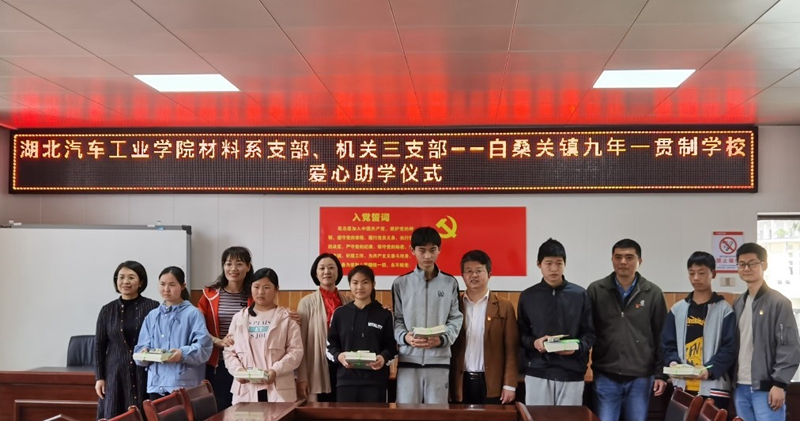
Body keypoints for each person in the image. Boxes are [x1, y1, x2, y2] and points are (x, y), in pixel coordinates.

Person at [587, 238, 668, 421]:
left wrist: (660, 374)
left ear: (640, 261)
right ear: (612, 259)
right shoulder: (596, 290)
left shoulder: (652, 293)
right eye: (618, 257)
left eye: (629, 257)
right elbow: (587, 332)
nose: (623, 262)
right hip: (606, 375)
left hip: (641, 377)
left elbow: (661, 336)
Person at [517, 239, 594, 405]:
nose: (554, 269)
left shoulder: (580, 295)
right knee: (537, 416)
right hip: (538, 371)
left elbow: (589, 334)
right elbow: (521, 334)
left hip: (571, 372)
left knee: (569, 417)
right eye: (548, 263)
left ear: (565, 264)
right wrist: (535, 343)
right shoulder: (528, 296)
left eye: (559, 263)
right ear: (539, 264)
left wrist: (576, 347)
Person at [392, 226, 463, 404]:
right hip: (409, 361)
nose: (427, 256)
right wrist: (405, 337)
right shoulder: (401, 283)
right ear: (412, 250)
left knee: (437, 414)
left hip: (439, 360)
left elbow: (455, 318)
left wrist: (442, 340)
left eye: (432, 250)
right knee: (406, 413)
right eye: (422, 250)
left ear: (440, 249)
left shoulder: (450, 283)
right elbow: (397, 319)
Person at [732, 242, 800, 421]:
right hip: (740, 386)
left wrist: (779, 384)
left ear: (765, 265)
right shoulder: (738, 302)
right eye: (742, 264)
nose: (747, 268)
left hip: (767, 388)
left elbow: (790, 347)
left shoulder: (779, 302)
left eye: (753, 263)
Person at [661, 251, 736, 409]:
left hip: (713, 388)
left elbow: (730, 347)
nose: (696, 278)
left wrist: (710, 370)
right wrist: (673, 362)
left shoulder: (725, 310)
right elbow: (668, 343)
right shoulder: (677, 309)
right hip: (682, 387)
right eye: (691, 273)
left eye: (701, 273)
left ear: (713, 274)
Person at [224, 268, 303, 403]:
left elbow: (296, 352)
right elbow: (229, 352)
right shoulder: (239, 318)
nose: (260, 292)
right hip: (246, 389)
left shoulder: (287, 318)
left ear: (276, 289)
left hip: (279, 389)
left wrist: (275, 370)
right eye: (256, 287)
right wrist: (238, 370)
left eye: (266, 287)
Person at [450, 250, 519, 404]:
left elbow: (512, 349)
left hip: (491, 382)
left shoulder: (504, 307)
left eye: (479, 271)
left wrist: (509, 384)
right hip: (459, 382)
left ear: (489, 274)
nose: (474, 275)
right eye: (469, 271)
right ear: (462, 276)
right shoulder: (454, 305)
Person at [94, 261, 159, 419]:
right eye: (121, 277)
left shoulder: (152, 307)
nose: (125, 281)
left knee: (143, 413)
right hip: (115, 373)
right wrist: (99, 378)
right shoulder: (107, 310)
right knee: (114, 413)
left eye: (131, 277)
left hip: (144, 372)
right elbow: (99, 346)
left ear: (141, 282)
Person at [135, 266, 213, 399]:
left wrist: (182, 354)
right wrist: (143, 353)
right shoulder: (152, 315)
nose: (166, 289)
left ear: (183, 286)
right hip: (156, 384)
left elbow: (204, 348)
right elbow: (141, 347)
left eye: (172, 285)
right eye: (162, 284)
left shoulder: (193, 314)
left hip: (184, 385)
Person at [327, 265, 398, 403]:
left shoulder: (385, 315)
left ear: (373, 284)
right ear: (350, 285)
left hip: (376, 382)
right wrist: (339, 356)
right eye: (355, 283)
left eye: (365, 282)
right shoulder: (340, 314)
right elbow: (330, 346)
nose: (360, 287)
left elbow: (392, 348)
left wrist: (383, 358)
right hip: (345, 382)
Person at [198, 246, 254, 410]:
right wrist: (217, 341)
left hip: (247, 364)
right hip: (218, 363)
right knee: (220, 409)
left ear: (248, 267)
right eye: (228, 264)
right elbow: (198, 328)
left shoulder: (255, 294)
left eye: (239, 264)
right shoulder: (210, 295)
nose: (233, 269)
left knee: (246, 411)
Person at [297, 253, 352, 401]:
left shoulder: (348, 302)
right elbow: (300, 343)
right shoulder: (306, 303)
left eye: (331, 268)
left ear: (338, 272)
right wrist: (302, 377)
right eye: (322, 268)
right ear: (316, 273)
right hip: (317, 365)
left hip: (344, 365)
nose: (327, 271)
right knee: (320, 408)